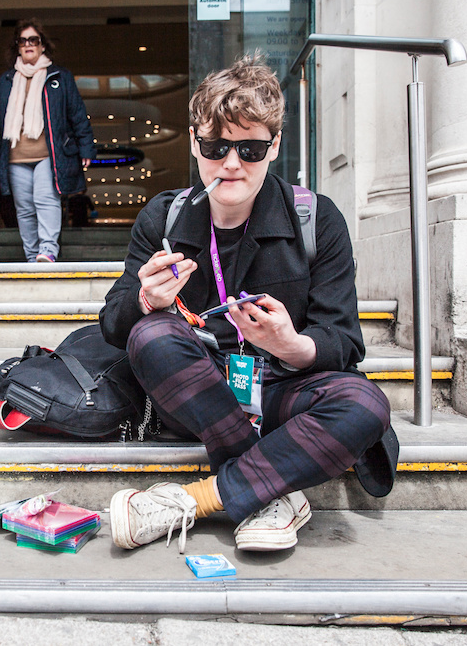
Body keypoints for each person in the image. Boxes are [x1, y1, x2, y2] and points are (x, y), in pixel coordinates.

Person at [99, 54, 393, 554]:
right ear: (194, 143)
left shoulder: (317, 219)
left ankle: (197, 499)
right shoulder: (164, 217)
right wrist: (145, 299)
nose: (231, 164)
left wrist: (291, 344)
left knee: (365, 404)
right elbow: (112, 323)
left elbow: (344, 342)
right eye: (215, 147)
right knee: (151, 335)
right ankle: (273, 491)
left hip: (281, 388)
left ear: (274, 146)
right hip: (200, 392)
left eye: (250, 148)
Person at [0, 20, 95, 263]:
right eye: (23, 41)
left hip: (49, 155)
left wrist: (86, 147)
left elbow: (77, 113)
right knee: (24, 208)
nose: (28, 45)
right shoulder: (6, 80)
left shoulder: (59, 77)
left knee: (45, 199)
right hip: (16, 156)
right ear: (17, 46)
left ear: (42, 45)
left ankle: (48, 250)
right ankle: (31, 255)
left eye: (33, 40)